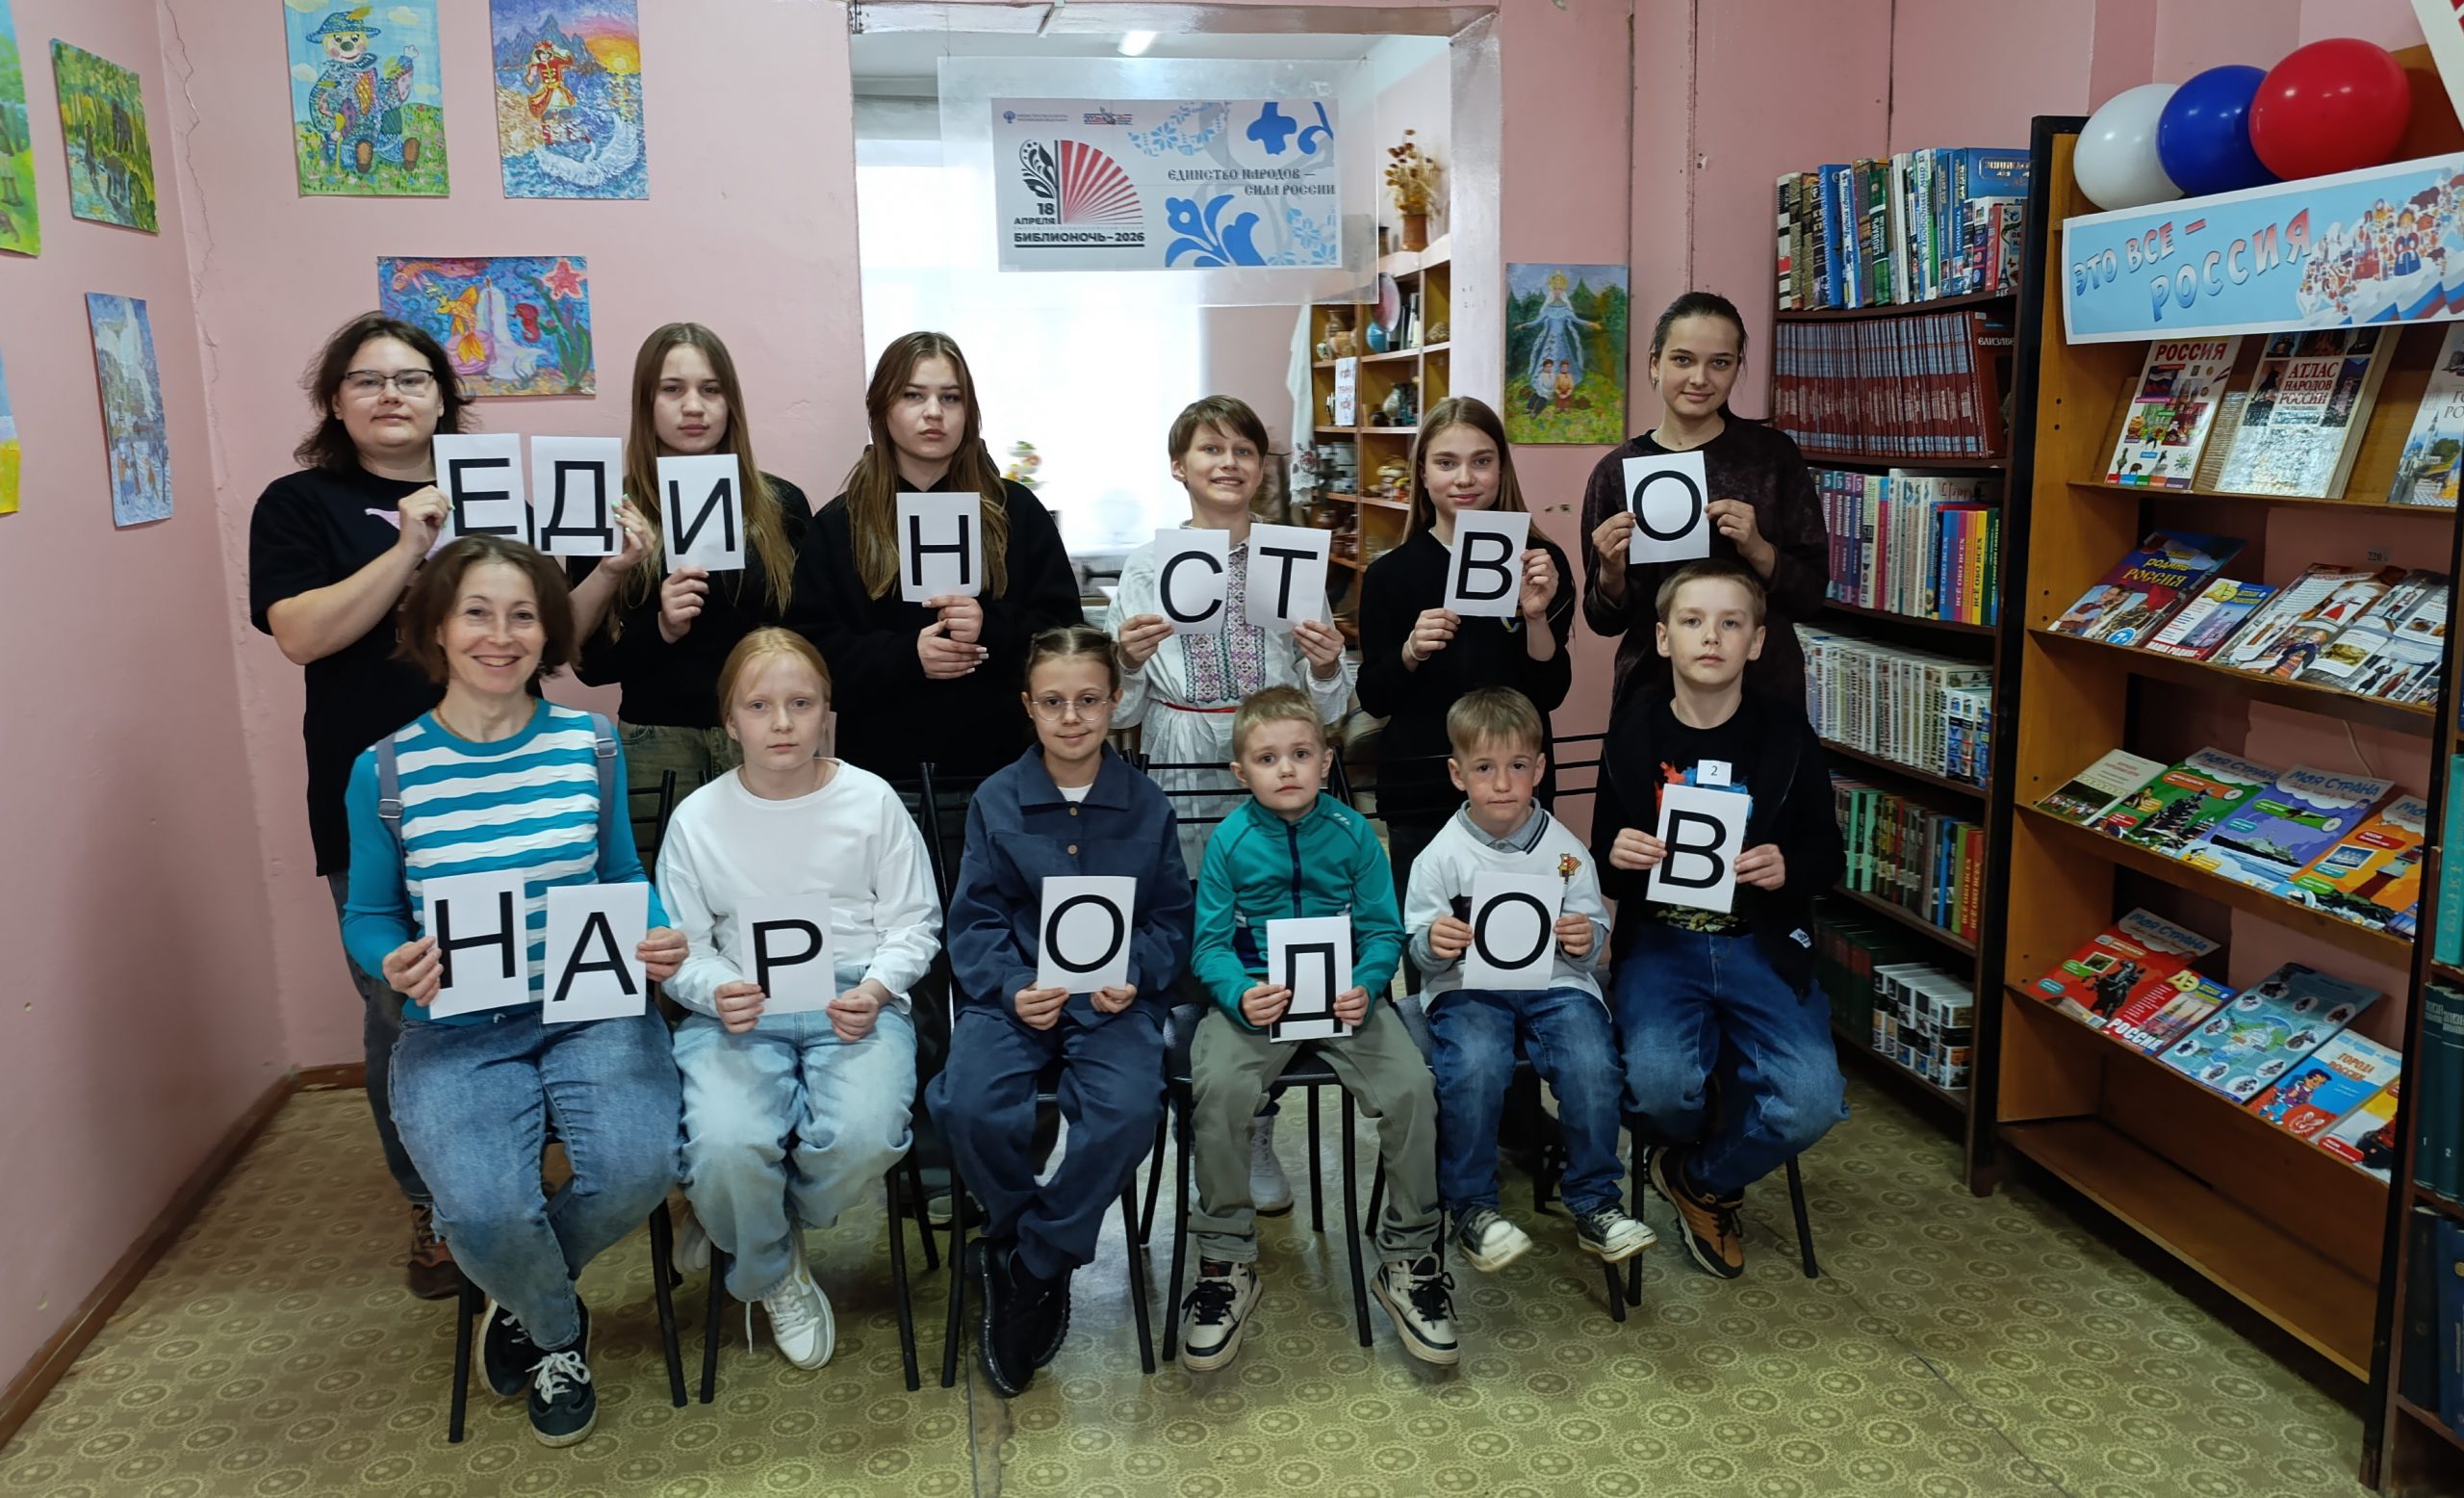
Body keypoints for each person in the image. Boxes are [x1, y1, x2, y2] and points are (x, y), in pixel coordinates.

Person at [341, 536, 684, 1447]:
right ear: (436, 629)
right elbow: (368, 915)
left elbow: (622, 873)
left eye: (524, 615)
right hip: (455, 1025)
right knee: (481, 1212)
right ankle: (556, 1328)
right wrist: (391, 960)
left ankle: (524, 1299)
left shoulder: (591, 744)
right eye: (478, 614)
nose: (502, 636)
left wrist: (654, 927)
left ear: (549, 631)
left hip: (592, 1005)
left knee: (640, 1167)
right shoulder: (385, 771)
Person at [248, 311, 467, 1299]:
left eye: (412, 378)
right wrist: (411, 544)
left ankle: (504, 1171)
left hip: (498, 784)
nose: (391, 395)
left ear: (441, 397)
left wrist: (620, 572)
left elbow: (547, 634)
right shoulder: (299, 503)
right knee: (401, 1006)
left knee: (515, 988)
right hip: (370, 797)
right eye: (367, 380)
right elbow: (301, 633)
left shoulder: (490, 492)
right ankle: (429, 1200)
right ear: (334, 402)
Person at [655, 628, 938, 1370]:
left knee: (866, 1135)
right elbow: (681, 946)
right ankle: (771, 1269)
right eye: (759, 706)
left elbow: (914, 922)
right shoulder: (698, 820)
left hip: (854, 1000)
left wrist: (878, 987)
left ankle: (751, 1220)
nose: (782, 723)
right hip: (739, 1009)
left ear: (826, 712)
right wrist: (716, 990)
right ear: (730, 721)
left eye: (801, 704)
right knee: (723, 1144)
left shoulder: (871, 801)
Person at [933, 626, 1194, 1397]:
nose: (1071, 717)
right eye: (1053, 702)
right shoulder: (997, 799)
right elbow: (974, 919)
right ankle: (1016, 1233)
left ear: (1116, 701)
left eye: (1088, 700)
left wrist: (1136, 974)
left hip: (1113, 1002)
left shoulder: (1147, 804)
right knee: (968, 1104)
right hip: (1015, 997)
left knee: (1128, 1112)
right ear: (1028, 705)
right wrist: (1012, 984)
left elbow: (1170, 919)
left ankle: (1036, 1262)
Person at [1110, 395, 1352, 1218]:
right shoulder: (1149, 565)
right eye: (1210, 449)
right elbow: (1121, 710)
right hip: (1184, 761)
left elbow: (1330, 706)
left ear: (1261, 467)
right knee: (1194, 935)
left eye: (1244, 449)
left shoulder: (1291, 557)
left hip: (1275, 764)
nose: (1228, 463)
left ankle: (1256, 1121)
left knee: (1269, 931)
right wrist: (1128, 661)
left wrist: (1327, 662)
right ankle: (1202, 1109)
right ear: (1178, 466)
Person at [1176, 687, 1450, 1372]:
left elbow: (1383, 929)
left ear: (1327, 760)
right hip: (1258, 998)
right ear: (1240, 771)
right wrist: (1240, 995)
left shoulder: (1354, 834)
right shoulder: (1229, 842)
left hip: (1345, 998)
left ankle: (1410, 1257)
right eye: (1267, 758)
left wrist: (1367, 983)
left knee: (1412, 1088)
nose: (1287, 769)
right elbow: (1209, 945)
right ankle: (1224, 1262)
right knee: (1219, 1089)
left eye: (1301, 754)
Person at [1591, 559, 1848, 1279]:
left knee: (1811, 1102)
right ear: (1663, 638)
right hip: (1661, 943)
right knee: (1657, 1089)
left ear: (1756, 642)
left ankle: (1700, 1177)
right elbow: (1605, 863)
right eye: (1693, 621)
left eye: (1731, 623)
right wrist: (1618, 854)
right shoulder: (1631, 734)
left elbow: (1827, 854)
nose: (1712, 636)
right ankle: (1697, 1131)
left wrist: (1788, 866)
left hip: (1760, 944)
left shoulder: (1786, 735)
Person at [1401, 687, 1650, 1272]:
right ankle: (1472, 1207)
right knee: (1475, 1066)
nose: (1502, 784)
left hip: (1557, 985)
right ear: (1458, 775)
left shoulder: (1565, 851)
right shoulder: (1440, 857)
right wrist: (1433, 944)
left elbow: (1592, 924)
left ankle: (1596, 1201)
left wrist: (1585, 938)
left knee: (1592, 1064)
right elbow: (1416, 945)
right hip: (1467, 988)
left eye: (1517, 766)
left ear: (1539, 769)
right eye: (1484, 768)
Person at [784, 331, 1084, 784]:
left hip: (1006, 775)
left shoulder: (1017, 512)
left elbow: (1066, 636)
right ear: (881, 408)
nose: (933, 412)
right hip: (882, 780)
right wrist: (907, 656)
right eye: (913, 395)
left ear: (969, 412)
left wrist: (990, 627)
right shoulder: (839, 524)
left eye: (950, 397)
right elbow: (809, 655)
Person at [567, 323, 811, 868]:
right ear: (646, 403)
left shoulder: (783, 504)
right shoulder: (610, 509)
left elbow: (811, 634)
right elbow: (588, 665)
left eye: (711, 389)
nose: (694, 406)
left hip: (768, 732)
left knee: (777, 883)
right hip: (657, 740)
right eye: (672, 389)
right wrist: (661, 629)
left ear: (731, 403)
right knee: (666, 901)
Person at [1356, 396, 1573, 917]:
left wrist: (1536, 618)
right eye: (1446, 462)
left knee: (1520, 931)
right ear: (1422, 474)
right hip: (1421, 788)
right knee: (1430, 935)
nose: (1465, 478)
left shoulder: (1539, 561)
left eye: (1481, 461)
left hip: (1513, 786)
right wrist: (1410, 651)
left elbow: (1551, 693)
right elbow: (1374, 697)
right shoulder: (1390, 574)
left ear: (1501, 468)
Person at [1578, 291, 1828, 712]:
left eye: (1720, 363)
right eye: (1682, 360)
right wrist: (1610, 573)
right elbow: (1603, 621)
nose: (1699, 378)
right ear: (1654, 363)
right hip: (1653, 696)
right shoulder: (1615, 472)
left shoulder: (1771, 456)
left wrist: (1758, 549)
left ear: (1736, 368)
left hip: (1762, 693)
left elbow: (1811, 596)